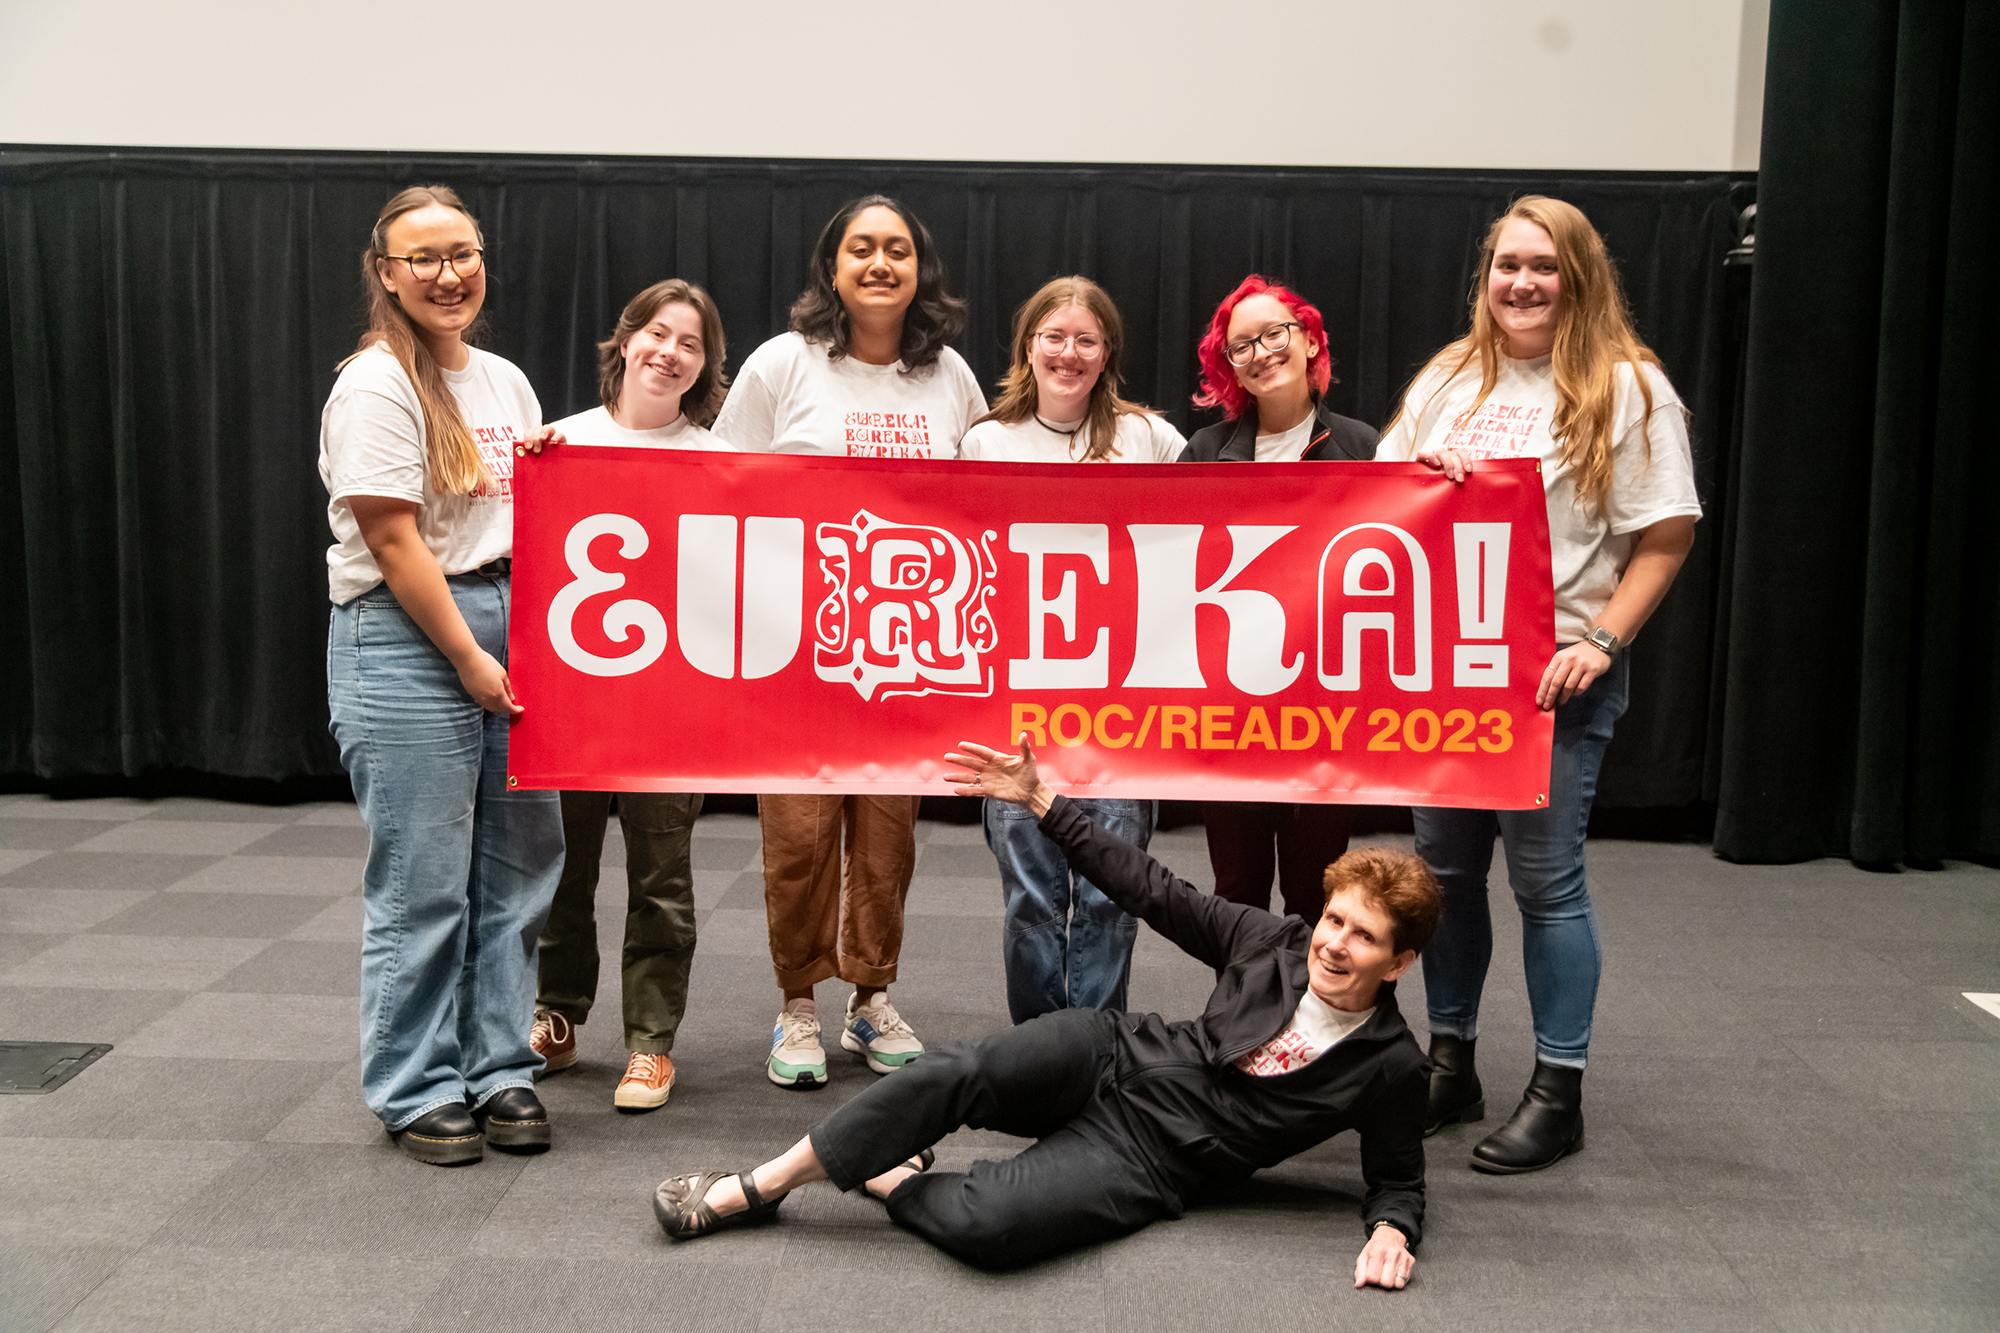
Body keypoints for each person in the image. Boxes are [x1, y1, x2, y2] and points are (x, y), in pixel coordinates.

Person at [650, 735, 1438, 1290]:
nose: (1333, 944)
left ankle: (890, 1177)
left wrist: (1392, 1230)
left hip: (1153, 1158)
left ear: (1399, 962)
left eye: (1362, 936)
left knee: (993, 1228)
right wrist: (1042, 799)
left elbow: (1398, 1177)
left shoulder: (1392, 1063)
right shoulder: (1274, 940)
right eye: (1335, 920)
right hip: (1113, 1052)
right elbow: (1151, 887)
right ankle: (759, 1184)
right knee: (958, 1068)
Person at [1377, 195, 1700, 1173]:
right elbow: (1375, 492)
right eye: (1505, 265)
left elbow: (1666, 533)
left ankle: (1556, 1092)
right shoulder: (1449, 376)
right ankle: (1451, 1060)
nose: (1520, 282)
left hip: (1551, 677)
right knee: (1442, 878)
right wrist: (1416, 466)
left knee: (1545, 885)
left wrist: (1601, 640)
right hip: (1447, 677)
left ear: (1579, 276)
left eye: (1543, 266)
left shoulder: (1626, 385)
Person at [712, 195, 987, 1088]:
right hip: (795, 648)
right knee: (796, 839)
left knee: (886, 840)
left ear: (921, 270)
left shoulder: (950, 377)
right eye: (861, 249)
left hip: (910, 648)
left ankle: (870, 999)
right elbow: (709, 485)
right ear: (832, 267)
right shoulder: (782, 364)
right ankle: (797, 1005)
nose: (879, 263)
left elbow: (991, 501)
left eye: (897, 250)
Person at [320, 185, 564, 1165]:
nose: (446, 273)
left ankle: (499, 1064)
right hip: (411, 632)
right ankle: (416, 1081)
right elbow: (390, 535)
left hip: (512, 619)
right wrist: (470, 657)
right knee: (424, 881)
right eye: (421, 258)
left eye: (459, 252)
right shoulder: (375, 383)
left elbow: (519, 509)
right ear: (385, 273)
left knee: (515, 869)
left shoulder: (502, 380)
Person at [529, 279, 733, 1111]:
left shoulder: (722, 462)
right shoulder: (560, 443)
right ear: (625, 339)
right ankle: (557, 1012)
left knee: (661, 877)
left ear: (704, 364)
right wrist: (530, 472)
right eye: (657, 332)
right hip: (571, 699)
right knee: (560, 870)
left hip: (666, 706)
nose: (670, 351)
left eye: (690, 342)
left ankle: (651, 1044)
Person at [958, 275, 1180, 1022]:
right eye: (1054, 336)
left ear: (1106, 352)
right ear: (1029, 346)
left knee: (1110, 895)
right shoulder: (985, 440)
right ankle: (1040, 1055)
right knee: (1030, 899)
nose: (1069, 352)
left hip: (1123, 707)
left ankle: (1098, 1057)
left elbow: (1236, 514)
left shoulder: (1150, 439)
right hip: (1016, 707)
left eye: (1086, 339)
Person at [1179, 276, 1377, 924]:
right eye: (1242, 345)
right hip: (1229, 711)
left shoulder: (1367, 447)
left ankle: (1309, 1021)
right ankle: (1241, 1019)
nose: (1261, 351)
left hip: (1327, 713)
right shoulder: (1204, 454)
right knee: (1235, 888)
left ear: (1310, 339)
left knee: (1317, 888)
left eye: (1275, 333)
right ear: (1227, 365)